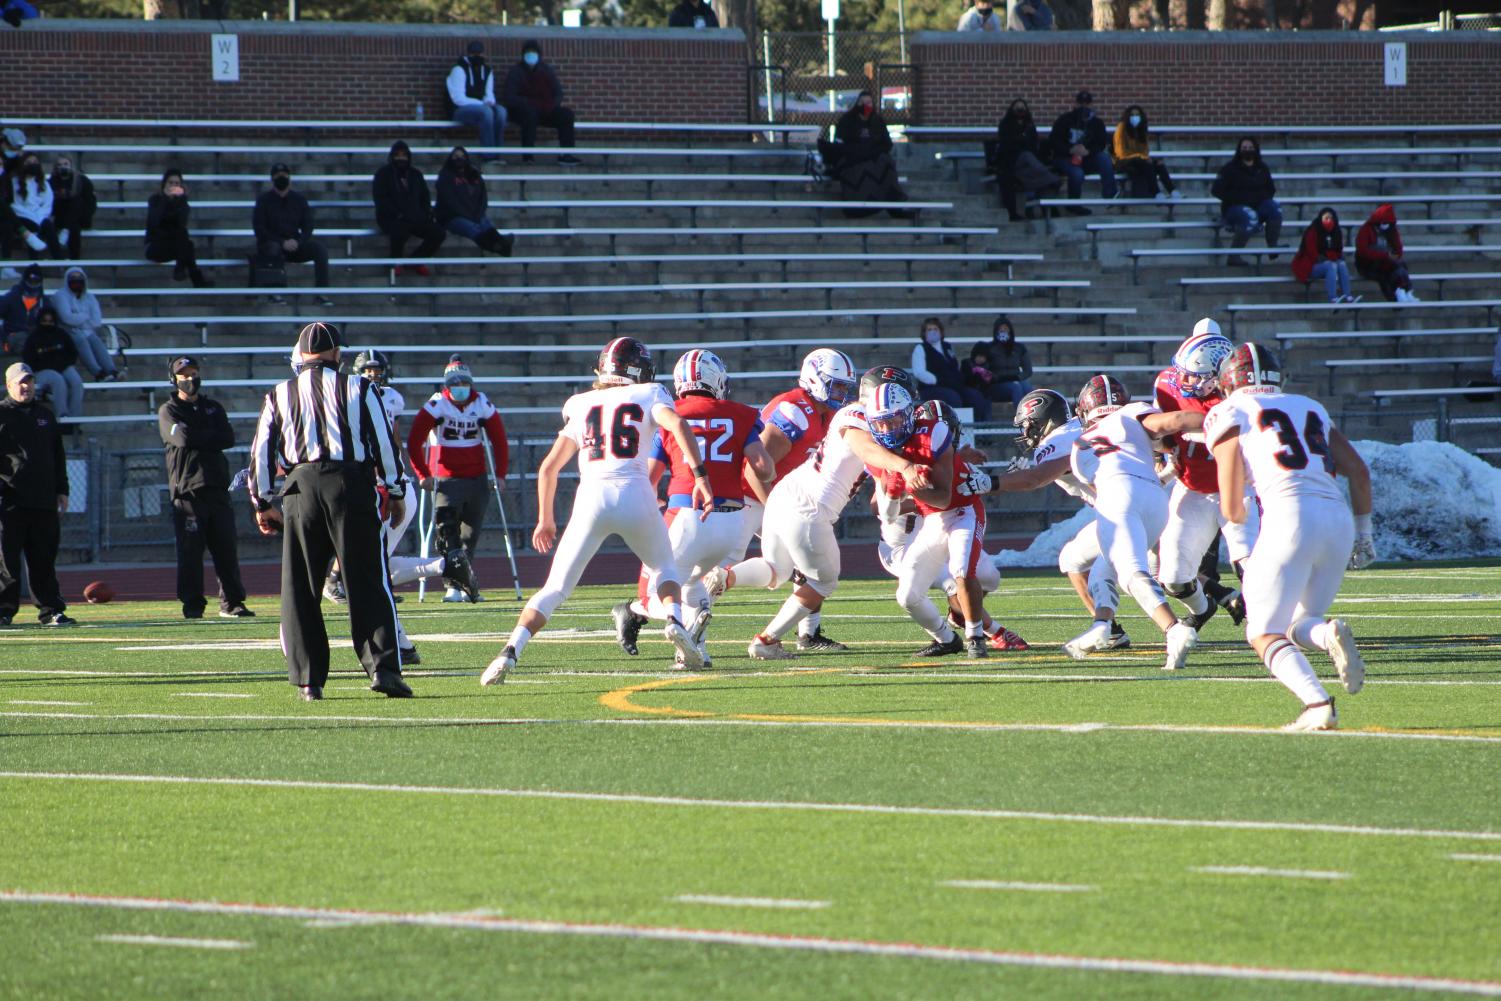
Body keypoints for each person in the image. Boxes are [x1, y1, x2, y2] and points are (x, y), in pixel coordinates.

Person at [481, 337, 714, 685]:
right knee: (664, 567)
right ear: (637, 370)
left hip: (591, 498)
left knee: (555, 587)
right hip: (635, 491)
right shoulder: (649, 393)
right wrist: (701, 477)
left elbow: (548, 468)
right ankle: (675, 622)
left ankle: (510, 651)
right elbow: (678, 426)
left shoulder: (580, 403)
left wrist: (546, 519)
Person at [700, 367, 931, 661]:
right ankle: (766, 640)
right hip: (811, 508)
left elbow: (881, 492)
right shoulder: (857, 418)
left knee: (776, 570)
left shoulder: (876, 426)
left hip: (787, 494)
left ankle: (724, 576)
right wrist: (906, 467)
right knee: (824, 581)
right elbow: (865, 448)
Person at [1205, 342, 1373, 731]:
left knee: (1262, 631)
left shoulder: (1230, 411)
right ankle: (1327, 633)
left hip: (1289, 516)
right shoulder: (1309, 406)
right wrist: (1364, 534)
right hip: (1338, 520)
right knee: (1302, 619)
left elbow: (1231, 507)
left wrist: (1242, 519)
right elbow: (1359, 472)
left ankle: (1317, 704)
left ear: (1228, 381)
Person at [248, 321, 412, 702]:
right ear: (338, 354)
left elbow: (260, 453)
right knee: (368, 579)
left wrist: (262, 502)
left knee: (301, 586)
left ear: (301, 356)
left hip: (300, 487)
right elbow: (385, 444)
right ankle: (382, 669)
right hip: (349, 484)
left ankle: (309, 679)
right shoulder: (361, 387)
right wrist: (395, 489)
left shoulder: (279, 393)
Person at [612, 349, 774, 668]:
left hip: (686, 516)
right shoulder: (741, 413)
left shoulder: (667, 413)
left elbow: (650, 476)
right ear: (716, 381)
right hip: (731, 523)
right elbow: (764, 468)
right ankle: (695, 651)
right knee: (690, 582)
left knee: (653, 593)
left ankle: (638, 614)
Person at [719, 347, 859, 653]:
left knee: (796, 565)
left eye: (845, 387)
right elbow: (754, 468)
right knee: (725, 563)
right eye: (836, 385)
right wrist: (776, 509)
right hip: (749, 496)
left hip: (785, 497)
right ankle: (662, 615)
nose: (841, 392)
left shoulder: (829, 413)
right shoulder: (795, 409)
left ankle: (809, 634)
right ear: (814, 379)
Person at [1062, 375, 1201, 670]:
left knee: (1129, 570)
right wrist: (1212, 420)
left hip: (1117, 496)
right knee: (1105, 568)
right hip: (1155, 500)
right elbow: (1170, 425)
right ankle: (1102, 625)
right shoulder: (1132, 412)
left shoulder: (1078, 446)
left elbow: (1110, 492)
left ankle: (1173, 629)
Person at [352, 348, 476, 663]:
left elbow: (390, 441)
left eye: (376, 370)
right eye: (367, 370)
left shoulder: (372, 400)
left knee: (368, 572)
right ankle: (445, 569)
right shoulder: (355, 399)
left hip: (383, 486)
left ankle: (402, 646)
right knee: (371, 571)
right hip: (382, 484)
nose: (373, 375)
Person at [1153, 320, 1255, 632]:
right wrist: (1166, 456)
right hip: (1193, 487)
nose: (1181, 378)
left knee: (1251, 564)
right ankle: (1205, 607)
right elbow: (1162, 432)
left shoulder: (1238, 397)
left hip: (1240, 487)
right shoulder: (1168, 384)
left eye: (1192, 375)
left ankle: (1280, 627)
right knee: (1172, 575)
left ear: (1215, 378)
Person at [405, 357, 508, 602]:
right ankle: (452, 584)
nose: (459, 386)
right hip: (446, 481)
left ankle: (466, 583)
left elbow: (499, 440)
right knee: (447, 532)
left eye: (464, 382)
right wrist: (423, 474)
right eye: (454, 383)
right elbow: (414, 441)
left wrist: (501, 474)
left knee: (469, 535)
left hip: (476, 479)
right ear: (447, 385)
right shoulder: (437, 405)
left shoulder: (482, 403)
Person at [159, 355, 251, 620]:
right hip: (188, 493)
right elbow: (183, 438)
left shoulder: (213, 407)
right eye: (184, 375)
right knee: (190, 553)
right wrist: (208, 437)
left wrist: (201, 436)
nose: (190, 379)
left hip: (217, 489)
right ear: (174, 379)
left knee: (226, 549)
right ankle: (192, 605)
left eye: (193, 373)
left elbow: (228, 438)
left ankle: (233, 603)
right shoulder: (169, 410)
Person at [0, 362, 73, 627]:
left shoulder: (45, 415)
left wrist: (62, 489)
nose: (25, 386)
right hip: (10, 500)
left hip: (43, 499)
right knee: (7, 560)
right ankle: (4, 610)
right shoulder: (2, 414)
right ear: (9, 385)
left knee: (44, 559)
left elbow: (58, 456)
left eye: (28, 381)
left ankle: (51, 610)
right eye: (20, 382)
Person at [820, 91, 913, 219]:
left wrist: (872, 151)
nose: (865, 106)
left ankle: (894, 206)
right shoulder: (847, 121)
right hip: (853, 158)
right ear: (857, 103)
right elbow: (839, 144)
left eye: (868, 103)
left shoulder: (877, 121)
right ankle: (857, 208)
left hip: (874, 157)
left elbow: (886, 144)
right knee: (857, 170)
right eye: (862, 103)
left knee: (886, 164)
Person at [252, 162, 333, 304]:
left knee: (319, 249)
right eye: (278, 176)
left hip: (295, 245)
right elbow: (260, 229)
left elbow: (308, 226)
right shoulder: (264, 201)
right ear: (272, 179)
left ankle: (322, 293)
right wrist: (282, 242)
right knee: (272, 248)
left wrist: (298, 241)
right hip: (273, 245)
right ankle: (276, 293)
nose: (281, 178)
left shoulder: (299, 200)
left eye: (284, 175)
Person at [372, 140, 446, 276]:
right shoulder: (383, 174)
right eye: (398, 155)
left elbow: (425, 197)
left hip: (416, 217)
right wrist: (398, 214)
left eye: (404, 155)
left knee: (438, 233)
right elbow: (381, 199)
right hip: (393, 218)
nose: (401, 158)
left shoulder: (416, 175)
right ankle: (395, 262)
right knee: (400, 230)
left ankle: (415, 261)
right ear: (392, 156)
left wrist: (425, 214)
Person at [502, 40, 580, 165]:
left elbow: (558, 93)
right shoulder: (516, 72)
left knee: (566, 115)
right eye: (528, 53)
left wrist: (550, 105)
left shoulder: (546, 70)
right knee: (530, 114)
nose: (531, 55)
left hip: (545, 109)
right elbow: (510, 97)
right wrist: (529, 102)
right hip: (523, 111)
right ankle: (528, 156)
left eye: (534, 52)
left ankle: (567, 154)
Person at [1212, 136, 1282, 266]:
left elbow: (1270, 190)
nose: (1247, 150)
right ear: (1239, 150)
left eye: (1250, 148)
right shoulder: (1230, 168)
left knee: (1274, 207)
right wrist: (1239, 198)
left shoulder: (1262, 168)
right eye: (1244, 148)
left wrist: (1257, 199)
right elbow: (1216, 190)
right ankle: (1234, 256)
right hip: (1234, 208)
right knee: (1250, 215)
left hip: (1258, 205)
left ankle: (1273, 247)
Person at [434, 146, 514, 256]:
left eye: (462, 156)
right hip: (452, 217)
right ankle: (498, 246)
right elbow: (449, 202)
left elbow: (483, 198)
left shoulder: (474, 174)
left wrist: (478, 213)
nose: (459, 158)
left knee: (485, 223)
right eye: (456, 156)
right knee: (472, 227)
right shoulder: (445, 176)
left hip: (474, 214)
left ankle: (500, 243)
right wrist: (470, 216)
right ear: (450, 158)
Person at [992, 98, 1060, 222]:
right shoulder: (1006, 125)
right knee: (1027, 156)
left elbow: (1033, 145)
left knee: (1030, 162)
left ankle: (1044, 206)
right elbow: (1008, 145)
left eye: (1022, 108)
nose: (1020, 110)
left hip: (1028, 164)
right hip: (1012, 161)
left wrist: (1023, 141)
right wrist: (1022, 141)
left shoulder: (1029, 126)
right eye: (1017, 107)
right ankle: (1053, 179)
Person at [911, 317, 990, 421]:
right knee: (954, 398)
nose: (933, 332)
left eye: (935, 329)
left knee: (975, 396)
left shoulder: (947, 347)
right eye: (929, 330)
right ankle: (956, 431)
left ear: (941, 331)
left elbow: (954, 367)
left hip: (951, 385)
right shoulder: (920, 349)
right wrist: (937, 380)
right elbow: (919, 372)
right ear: (924, 333)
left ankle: (979, 431)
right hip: (930, 388)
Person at [1049, 90, 1116, 213]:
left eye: (1087, 103)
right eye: (1081, 103)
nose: (1084, 106)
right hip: (1065, 158)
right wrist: (1070, 150)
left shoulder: (1097, 123)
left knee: (1104, 158)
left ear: (1091, 105)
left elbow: (1101, 143)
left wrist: (1088, 151)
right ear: (1076, 104)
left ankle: (1110, 194)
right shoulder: (1064, 120)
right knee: (1077, 173)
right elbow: (1054, 140)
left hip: (1086, 159)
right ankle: (1074, 204)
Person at [145, 169, 212, 288]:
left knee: (186, 241)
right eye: (170, 183)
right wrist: (165, 198)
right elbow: (155, 221)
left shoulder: (182, 202)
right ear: (164, 184)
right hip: (156, 245)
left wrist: (180, 200)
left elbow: (182, 222)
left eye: (177, 184)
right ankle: (193, 277)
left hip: (175, 245)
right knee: (186, 243)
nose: (173, 186)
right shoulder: (155, 200)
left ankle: (182, 271)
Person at [52, 267, 119, 382]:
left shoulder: (90, 297)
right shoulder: (60, 295)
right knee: (80, 339)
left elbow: (96, 321)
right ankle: (98, 372)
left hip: (85, 331)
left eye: (79, 279)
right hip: (66, 331)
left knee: (95, 341)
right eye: (73, 279)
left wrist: (77, 317)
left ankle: (111, 371)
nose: (76, 282)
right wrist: (85, 315)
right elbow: (67, 318)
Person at [447, 41, 508, 159]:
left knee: (501, 111)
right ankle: (488, 154)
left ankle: (498, 152)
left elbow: (489, 93)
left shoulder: (487, 71)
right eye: (474, 54)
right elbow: (458, 99)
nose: (477, 57)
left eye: (479, 54)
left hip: (481, 107)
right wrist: (482, 104)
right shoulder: (459, 70)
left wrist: (489, 102)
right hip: (459, 110)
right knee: (486, 112)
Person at [22, 305, 82, 421]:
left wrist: (62, 364)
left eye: (51, 321)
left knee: (76, 382)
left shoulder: (62, 334)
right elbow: (29, 360)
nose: (48, 324)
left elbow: (72, 353)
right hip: (41, 371)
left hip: (63, 367)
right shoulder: (33, 338)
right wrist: (50, 366)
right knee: (58, 379)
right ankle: (63, 415)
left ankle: (75, 419)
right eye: (44, 321)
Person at [1293, 206, 1359, 305]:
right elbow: (1312, 254)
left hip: (1327, 262)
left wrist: (1334, 257)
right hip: (1311, 265)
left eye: (1331, 218)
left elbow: (1338, 251)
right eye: (1326, 218)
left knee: (1342, 264)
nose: (1329, 221)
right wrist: (1330, 257)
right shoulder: (1313, 231)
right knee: (1331, 265)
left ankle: (1348, 296)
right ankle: (1333, 298)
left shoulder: (1336, 231)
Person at [1111, 105, 1178, 200]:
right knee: (1146, 163)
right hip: (1123, 161)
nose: (1135, 117)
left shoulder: (1142, 129)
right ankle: (1156, 192)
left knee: (1159, 164)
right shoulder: (1121, 128)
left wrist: (1144, 158)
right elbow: (1120, 152)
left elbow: (1145, 151)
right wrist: (1140, 156)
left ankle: (1172, 191)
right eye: (1132, 115)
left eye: (1137, 115)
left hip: (1140, 161)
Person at [1355, 203, 1418, 303]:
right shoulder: (1366, 230)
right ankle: (1401, 291)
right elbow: (1363, 251)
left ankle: (1405, 291)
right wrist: (1385, 255)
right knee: (1394, 266)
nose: (1386, 224)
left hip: (1386, 265)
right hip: (1368, 265)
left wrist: (1394, 235)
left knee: (1399, 265)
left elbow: (1398, 250)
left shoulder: (1391, 231)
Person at [966, 314, 1033, 407]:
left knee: (1028, 388)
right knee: (1016, 387)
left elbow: (1028, 371)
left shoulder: (1019, 347)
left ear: (1010, 330)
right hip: (997, 383)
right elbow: (984, 368)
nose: (1003, 331)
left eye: (1005, 328)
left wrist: (1017, 377)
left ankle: (1034, 416)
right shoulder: (989, 347)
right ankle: (1020, 417)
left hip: (1016, 378)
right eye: (1000, 329)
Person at [9, 152, 60, 258]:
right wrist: (31, 216)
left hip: (40, 216)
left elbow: (47, 204)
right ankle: (34, 264)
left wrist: (39, 216)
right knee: (33, 228)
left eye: (35, 162)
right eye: (29, 162)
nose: (32, 164)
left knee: (49, 226)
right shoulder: (14, 182)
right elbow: (14, 205)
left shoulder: (44, 183)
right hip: (22, 216)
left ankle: (57, 258)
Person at [47, 157, 95, 261]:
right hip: (59, 215)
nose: (63, 167)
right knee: (73, 226)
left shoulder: (82, 180)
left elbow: (90, 201)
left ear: (71, 166)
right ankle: (68, 256)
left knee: (77, 202)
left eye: (65, 164)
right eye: (59, 165)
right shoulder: (51, 182)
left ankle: (73, 257)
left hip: (79, 215)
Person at [0, 263, 45, 354]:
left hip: (33, 339)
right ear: (25, 280)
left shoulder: (44, 302)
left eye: (36, 281)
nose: (33, 285)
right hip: (10, 336)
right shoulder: (12, 297)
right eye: (31, 281)